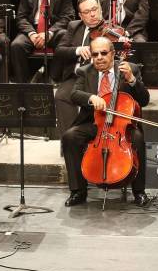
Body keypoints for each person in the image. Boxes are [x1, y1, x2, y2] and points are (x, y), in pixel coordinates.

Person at [61, 37, 150, 207]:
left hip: (123, 125)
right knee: (69, 137)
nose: (99, 57)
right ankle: (78, 191)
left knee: (138, 139)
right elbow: (74, 94)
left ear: (113, 53)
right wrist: (91, 97)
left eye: (103, 53)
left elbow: (144, 99)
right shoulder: (85, 72)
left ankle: (139, 192)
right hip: (96, 123)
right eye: (95, 54)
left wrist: (132, 80)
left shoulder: (130, 70)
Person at [10, 0, 75, 83]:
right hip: (32, 31)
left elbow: (68, 17)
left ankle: (55, 79)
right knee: (16, 45)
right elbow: (21, 18)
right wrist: (33, 34)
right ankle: (23, 85)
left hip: (54, 31)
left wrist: (49, 33)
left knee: (65, 37)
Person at [53, 0, 105, 138]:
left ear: (100, 8)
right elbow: (60, 50)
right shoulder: (74, 26)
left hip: (98, 80)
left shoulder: (109, 30)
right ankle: (71, 141)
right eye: (87, 12)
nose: (93, 14)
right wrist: (77, 50)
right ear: (81, 16)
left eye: (95, 9)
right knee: (61, 96)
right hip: (75, 77)